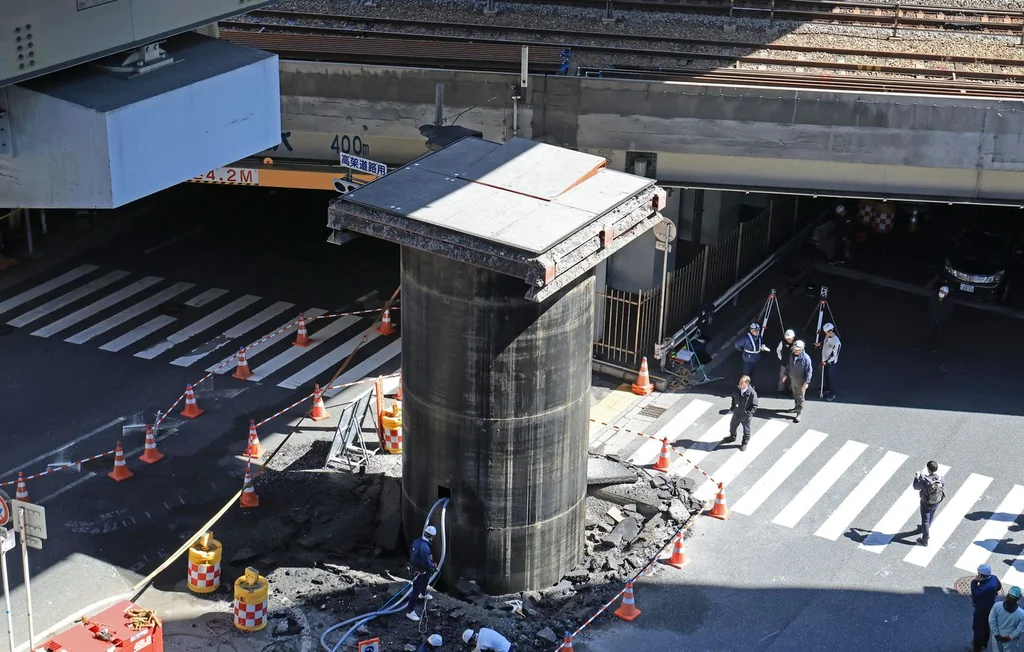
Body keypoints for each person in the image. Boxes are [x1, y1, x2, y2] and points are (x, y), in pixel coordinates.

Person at [406, 525, 438, 622]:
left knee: (426, 579)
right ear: (432, 537)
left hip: (415, 566)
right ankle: (410, 611)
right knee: (416, 590)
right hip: (420, 569)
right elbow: (426, 563)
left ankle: (423, 594)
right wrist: (433, 565)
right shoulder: (425, 547)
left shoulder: (417, 541)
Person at [912, 461, 945, 547]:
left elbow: (916, 487)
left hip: (926, 502)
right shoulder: (941, 478)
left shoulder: (925, 481)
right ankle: (927, 527)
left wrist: (917, 477)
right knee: (931, 514)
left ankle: (925, 539)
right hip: (936, 501)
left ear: (928, 469)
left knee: (925, 520)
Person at [970, 564, 1002, 652]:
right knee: (985, 625)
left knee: (978, 628)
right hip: (990, 606)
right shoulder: (994, 578)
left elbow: (975, 594)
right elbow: (999, 587)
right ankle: (984, 643)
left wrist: (974, 582)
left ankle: (977, 648)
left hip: (981, 609)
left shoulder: (983, 588)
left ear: (981, 575)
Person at [723, 375, 758, 451]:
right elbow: (733, 397)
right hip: (736, 414)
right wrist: (733, 406)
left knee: (746, 430)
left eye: (741, 383)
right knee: (732, 426)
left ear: (746, 383)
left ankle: (744, 443)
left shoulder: (752, 393)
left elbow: (754, 406)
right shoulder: (737, 389)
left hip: (745, 417)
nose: (739, 384)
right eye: (740, 382)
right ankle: (732, 437)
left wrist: (748, 414)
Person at [782, 340, 812, 424]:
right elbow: (789, 366)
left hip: (801, 381)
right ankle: (796, 407)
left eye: (797, 349)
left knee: (800, 397)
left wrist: (806, 383)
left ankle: (799, 413)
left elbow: (809, 371)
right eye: (795, 349)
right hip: (793, 379)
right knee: (795, 394)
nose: (795, 351)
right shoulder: (792, 355)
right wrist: (785, 375)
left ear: (802, 349)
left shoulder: (806, 358)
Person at [989, 585, 1024, 652]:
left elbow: (992, 620)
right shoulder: (1022, 613)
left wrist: (996, 634)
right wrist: (1010, 637)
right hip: (1010, 641)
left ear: (1007, 595)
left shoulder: (997, 605)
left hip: (997, 637)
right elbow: (1020, 629)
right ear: (1018, 598)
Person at [816, 323, 841, 402]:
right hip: (824, 359)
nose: (825, 334)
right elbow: (825, 342)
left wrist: (827, 362)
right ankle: (827, 388)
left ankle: (832, 393)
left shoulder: (836, 342)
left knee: (831, 378)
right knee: (826, 376)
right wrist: (820, 344)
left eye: (826, 332)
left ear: (830, 331)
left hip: (831, 363)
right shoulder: (827, 336)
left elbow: (835, 355)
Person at [924, 286, 954, 353]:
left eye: (943, 292)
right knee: (928, 331)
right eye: (941, 291)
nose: (941, 293)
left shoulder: (948, 301)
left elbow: (949, 311)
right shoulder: (934, 298)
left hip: (941, 320)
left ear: (946, 294)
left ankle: (935, 347)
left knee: (938, 334)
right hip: (933, 318)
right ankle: (924, 344)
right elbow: (930, 307)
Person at [775, 329, 796, 395]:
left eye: (790, 338)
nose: (789, 340)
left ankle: (791, 390)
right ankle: (780, 389)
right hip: (784, 364)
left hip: (793, 365)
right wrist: (781, 358)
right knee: (782, 376)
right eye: (787, 338)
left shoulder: (796, 343)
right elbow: (778, 350)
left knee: (793, 378)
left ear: (793, 337)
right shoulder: (782, 343)